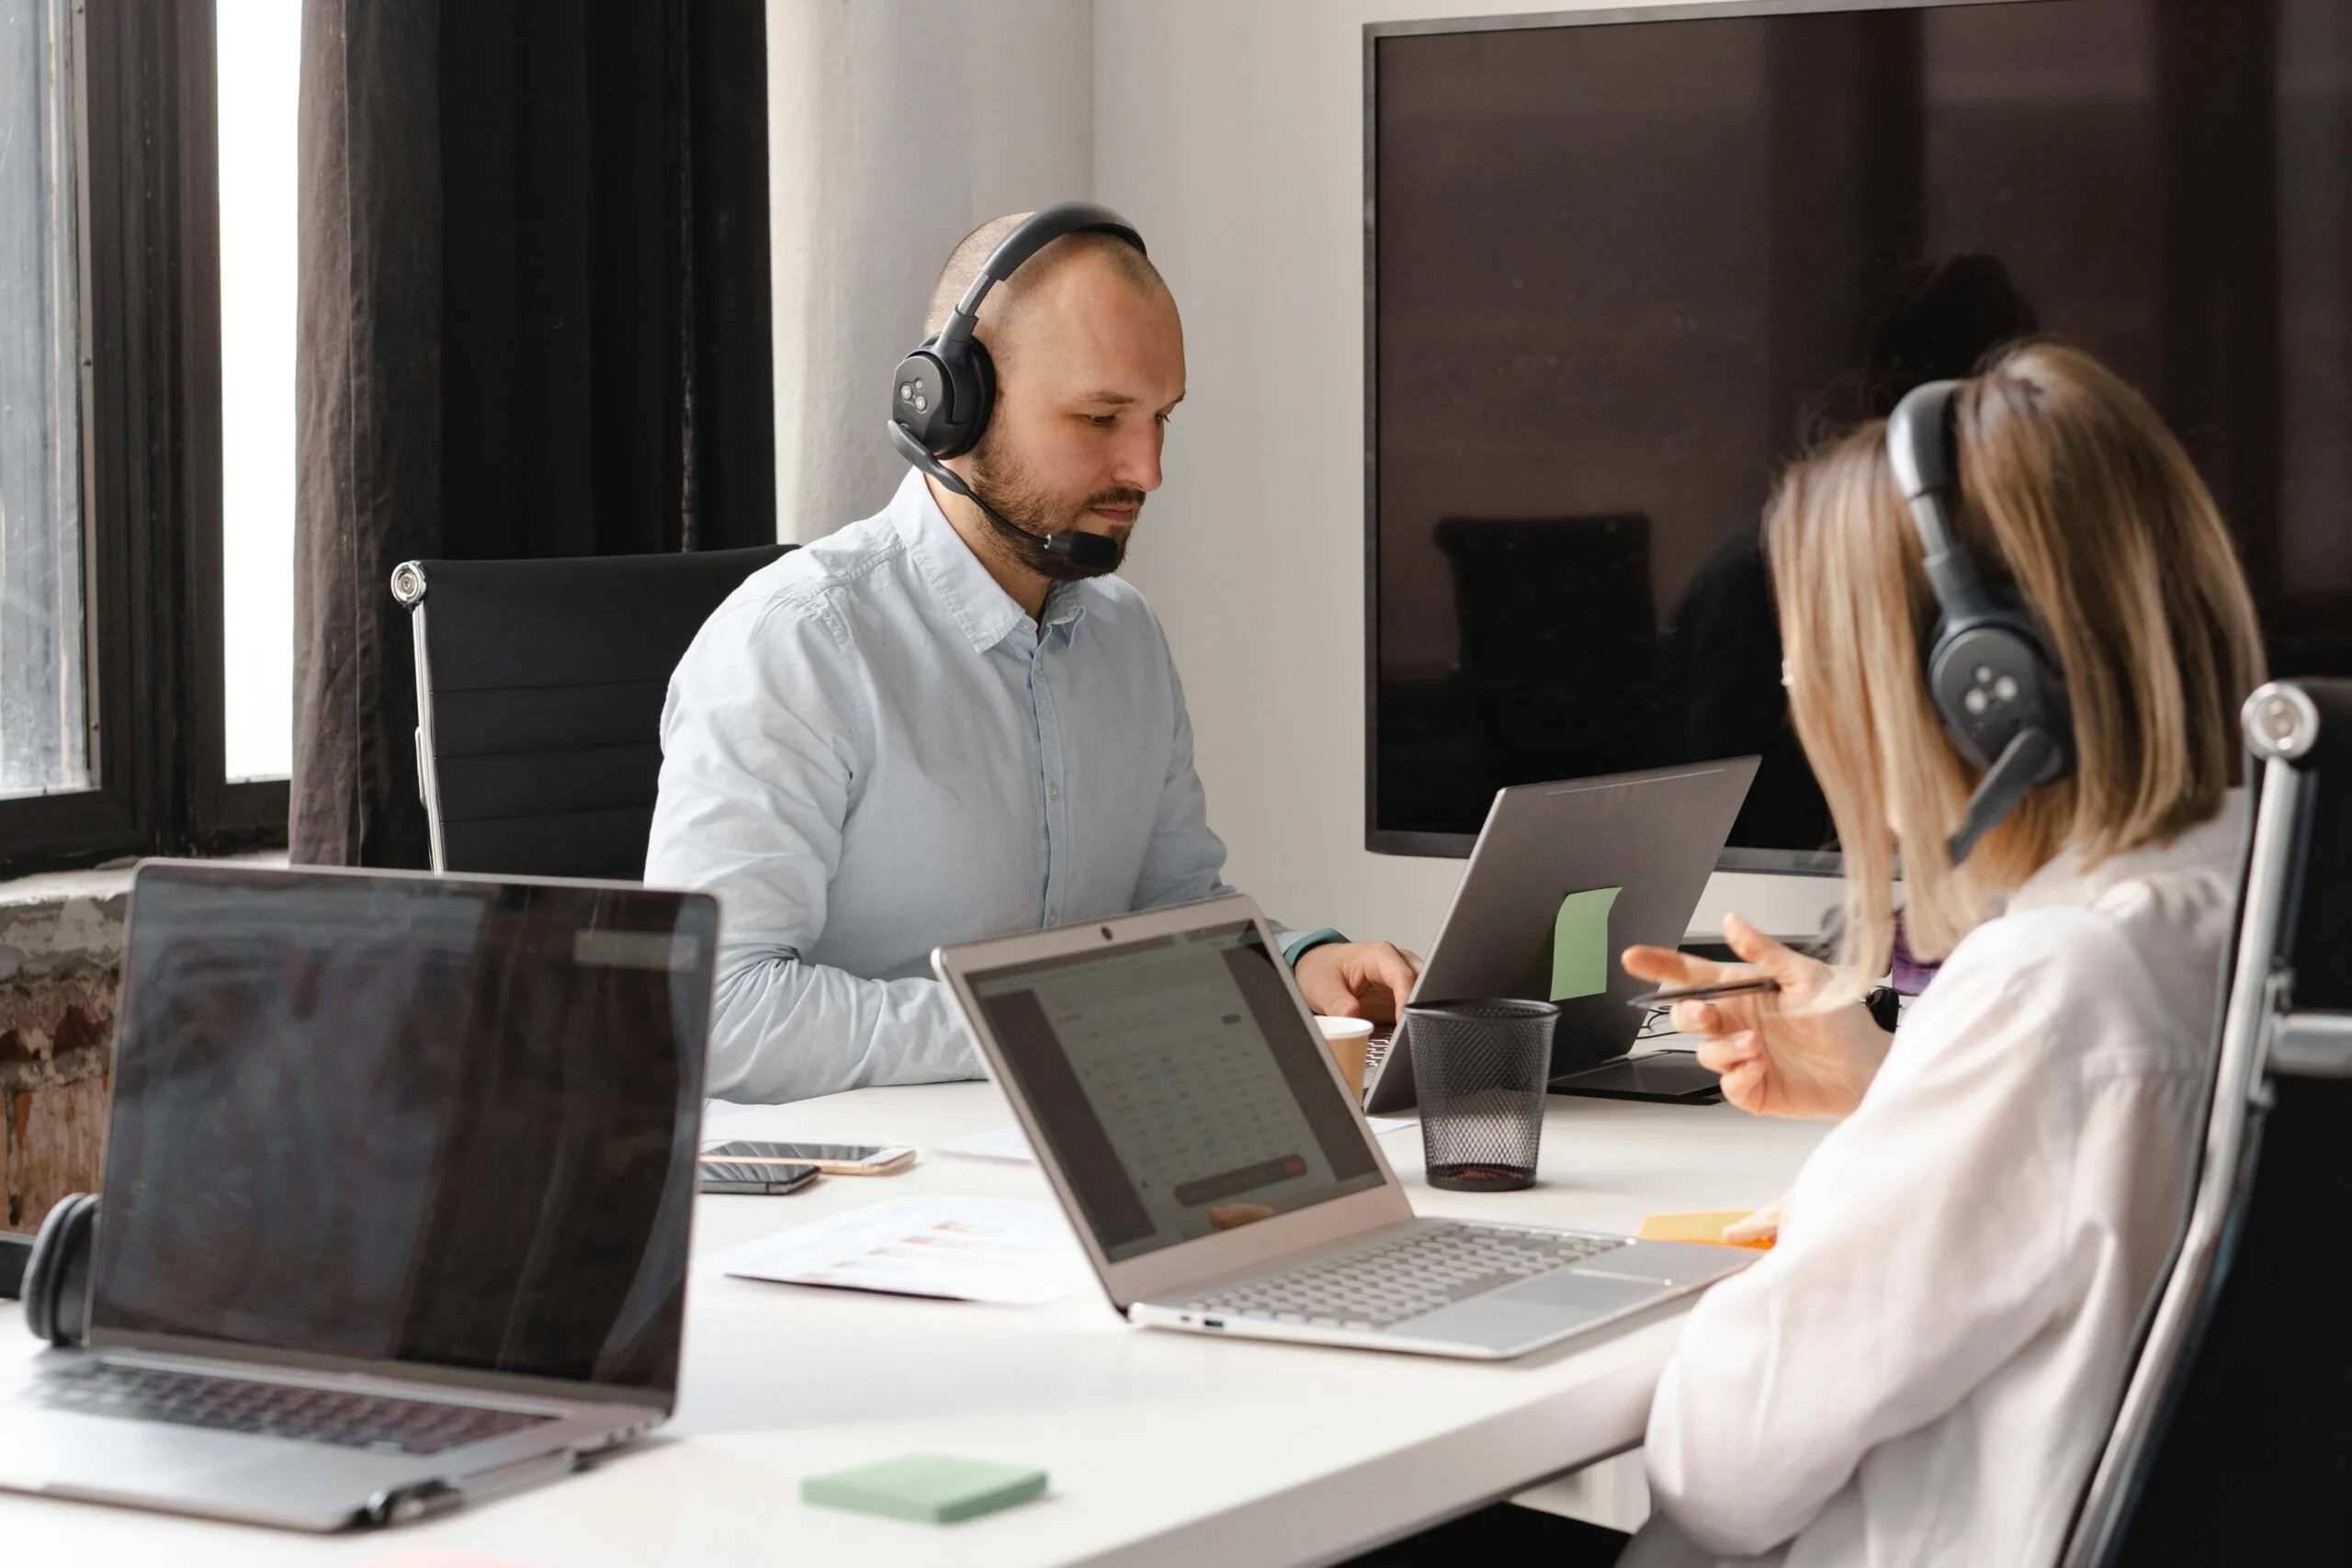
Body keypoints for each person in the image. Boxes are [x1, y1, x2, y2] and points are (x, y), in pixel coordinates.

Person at [1606, 341, 2267, 1565]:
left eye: (1818, 669)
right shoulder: (2255, 913)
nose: (1810, 706)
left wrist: (1875, 1152)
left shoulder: (2053, 992)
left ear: (1986, 689)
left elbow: (1719, 1460)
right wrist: (1889, 1088)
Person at [645, 209, 1420, 1103]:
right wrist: (1059, 1026)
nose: (1147, 470)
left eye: (1160, 418)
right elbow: (715, 1015)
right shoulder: (797, 645)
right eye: (1100, 417)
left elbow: (1167, 907)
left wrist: (1295, 964)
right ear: (950, 404)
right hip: (881, 1190)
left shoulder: (1122, 636)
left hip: (1088, 1146)